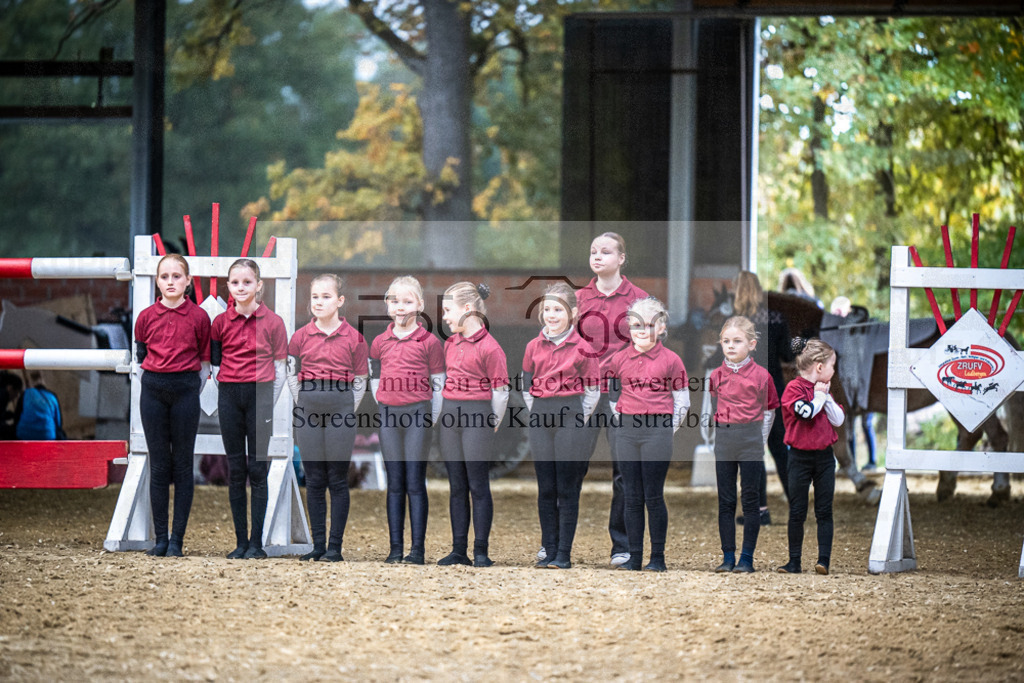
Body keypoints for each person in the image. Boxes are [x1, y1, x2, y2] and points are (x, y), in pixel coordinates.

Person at [575, 231, 649, 567]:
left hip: (624, 391)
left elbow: (649, 348)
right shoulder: (578, 299)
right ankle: (559, 544)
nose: (597, 256)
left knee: (624, 471)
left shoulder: (640, 299)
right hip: (584, 389)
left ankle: (622, 545)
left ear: (621, 258)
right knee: (571, 467)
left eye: (605, 251)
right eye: (593, 251)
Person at [134, 254, 211, 557]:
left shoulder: (199, 318)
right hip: (153, 391)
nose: (170, 282)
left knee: (182, 464)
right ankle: (161, 539)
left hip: (185, 392)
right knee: (159, 465)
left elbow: (205, 362)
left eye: (177, 276)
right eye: (164, 277)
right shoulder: (145, 317)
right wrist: (155, 381)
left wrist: (189, 387)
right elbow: (140, 357)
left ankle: (177, 540)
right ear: (157, 281)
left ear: (188, 280)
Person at [211, 258, 288, 560]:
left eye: (247, 282)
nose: (241, 287)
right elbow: (215, 366)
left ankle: (257, 544)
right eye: (235, 282)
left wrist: (267, 398)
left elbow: (280, 369)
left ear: (259, 285)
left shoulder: (273, 322)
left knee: (257, 468)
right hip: (229, 395)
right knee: (235, 469)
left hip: (261, 395)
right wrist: (228, 388)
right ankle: (240, 542)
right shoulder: (220, 323)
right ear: (228, 286)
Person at [288, 274, 368, 563]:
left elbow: (361, 379)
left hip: (340, 411)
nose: (319, 302)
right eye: (315, 297)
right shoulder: (300, 336)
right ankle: (318, 545)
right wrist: (304, 401)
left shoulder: (355, 338)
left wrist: (345, 407)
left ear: (340, 301)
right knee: (314, 479)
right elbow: (290, 372)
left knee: (337, 479)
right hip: (308, 409)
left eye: (326, 296)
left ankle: (335, 547)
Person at [522, 283, 600, 569]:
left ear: (574, 313)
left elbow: (593, 390)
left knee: (567, 487)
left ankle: (563, 553)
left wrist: (577, 417)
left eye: (558, 309)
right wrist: (539, 411)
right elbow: (526, 385)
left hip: (571, 415)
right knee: (546, 487)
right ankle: (549, 549)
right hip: (541, 415)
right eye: (547, 309)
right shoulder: (533, 346)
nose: (552, 315)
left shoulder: (584, 348)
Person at [608, 297, 689, 572]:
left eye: (649, 325)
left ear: (662, 327)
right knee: (631, 496)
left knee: (653, 496)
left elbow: (682, 401)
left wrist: (666, 428)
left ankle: (657, 558)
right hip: (627, 432)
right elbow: (613, 395)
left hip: (657, 430)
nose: (642, 331)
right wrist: (624, 423)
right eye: (636, 325)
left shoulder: (672, 360)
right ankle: (634, 557)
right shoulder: (619, 359)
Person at [369, 275, 445, 565]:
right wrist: (386, 404)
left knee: (415, 481)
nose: (400, 307)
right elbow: (375, 381)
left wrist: (430, 417)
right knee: (395, 483)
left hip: (418, 414)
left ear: (420, 305)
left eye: (407, 301)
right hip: (389, 415)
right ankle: (395, 548)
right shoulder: (379, 342)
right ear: (387, 305)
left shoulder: (429, 342)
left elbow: (438, 383)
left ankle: (417, 550)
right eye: (394, 301)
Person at [437, 282, 509, 568]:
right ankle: (458, 550)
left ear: (467, 309)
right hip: (450, 415)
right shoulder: (450, 343)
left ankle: (481, 550)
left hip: (477, 415)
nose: (444, 317)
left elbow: (501, 392)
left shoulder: (491, 348)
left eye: (447, 310)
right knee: (457, 485)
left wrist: (492, 422)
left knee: (478, 484)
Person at [709, 316, 780, 573]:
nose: (730, 346)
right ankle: (728, 556)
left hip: (751, 441)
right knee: (726, 500)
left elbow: (769, 411)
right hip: (725, 441)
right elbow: (715, 405)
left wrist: (760, 440)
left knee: (750, 501)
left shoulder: (762, 376)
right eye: (726, 341)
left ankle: (746, 558)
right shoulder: (716, 375)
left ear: (751, 344)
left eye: (737, 341)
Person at [777, 337, 845, 575]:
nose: (834, 371)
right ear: (819, 367)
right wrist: (819, 398)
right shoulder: (793, 390)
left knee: (824, 510)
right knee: (797, 510)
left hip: (824, 458)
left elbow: (838, 420)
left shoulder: (824, 390)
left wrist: (826, 398)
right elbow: (805, 413)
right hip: (799, 458)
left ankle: (823, 561)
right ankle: (794, 561)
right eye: (832, 366)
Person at [732, 271, 793, 525]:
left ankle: (760, 511)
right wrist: (804, 339)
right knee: (780, 449)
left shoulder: (733, 324)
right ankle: (797, 506)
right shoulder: (777, 318)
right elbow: (789, 354)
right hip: (773, 390)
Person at [828, 296, 877, 471]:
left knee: (866, 423)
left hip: (865, 384)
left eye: (839, 313)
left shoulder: (860, 331)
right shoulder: (840, 334)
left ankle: (872, 461)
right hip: (849, 385)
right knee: (848, 424)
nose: (837, 317)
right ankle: (852, 462)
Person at [15, 372, 63, 440]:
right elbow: (58, 423)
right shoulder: (52, 396)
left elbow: (17, 417)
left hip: (24, 435)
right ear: (43, 382)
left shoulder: (26, 394)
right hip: (47, 436)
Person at [1, 371, 24, 439]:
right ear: (10, 388)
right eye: (16, 392)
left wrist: (11, 415)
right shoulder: (3, 395)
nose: (16, 396)